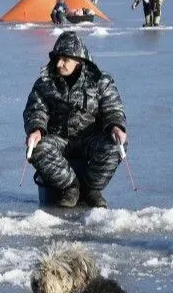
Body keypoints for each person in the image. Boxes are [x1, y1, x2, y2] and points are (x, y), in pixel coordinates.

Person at [23, 31, 127, 208]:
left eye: (65, 59)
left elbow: (113, 108)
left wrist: (116, 127)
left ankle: (91, 189)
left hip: (90, 138)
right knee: (37, 149)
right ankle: (70, 187)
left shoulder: (100, 81)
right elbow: (36, 109)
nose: (59, 64)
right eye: (57, 58)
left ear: (78, 59)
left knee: (116, 146)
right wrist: (36, 129)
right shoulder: (45, 82)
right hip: (59, 138)